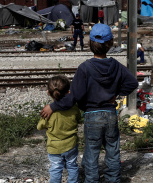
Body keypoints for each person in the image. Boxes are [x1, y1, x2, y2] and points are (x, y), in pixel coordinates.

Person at [40, 23, 139, 183]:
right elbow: (132, 83)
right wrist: (117, 94)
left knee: (92, 153)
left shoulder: (84, 68)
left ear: (90, 44)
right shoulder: (116, 66)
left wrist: (53, 106)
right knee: (113, 151)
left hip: (92, 116)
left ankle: (92, 180)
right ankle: (113, 179)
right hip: (110, 115)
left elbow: (74, 97)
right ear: (110, 44)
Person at [37, 75, 81, 183]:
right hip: (71, 144)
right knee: (72, 167)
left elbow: (39, 127)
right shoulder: (74, 107)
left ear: (48, 92)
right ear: (68, 92)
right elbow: (78, 118)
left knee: (56, 169)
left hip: (54, 147)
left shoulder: (48, 112)